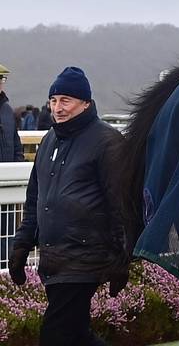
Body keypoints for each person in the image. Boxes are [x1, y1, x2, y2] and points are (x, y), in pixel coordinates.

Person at [8, 67, 129, 346]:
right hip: (55, 257)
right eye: (53, 100)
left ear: (85, 103)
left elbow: (121, 205)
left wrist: (122, 258)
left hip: (85, 257)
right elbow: (35, 198)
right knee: (77, 336)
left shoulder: (107, 141)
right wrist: (21, 245)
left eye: (65, 100)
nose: (57, 108)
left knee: (55, 336)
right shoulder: (49, 139)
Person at [0, 65, 24, 270]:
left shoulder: (7, 110)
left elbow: (16, 144)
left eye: (2, 80)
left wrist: (18, 164)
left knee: (5, 237)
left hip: (7, 187)